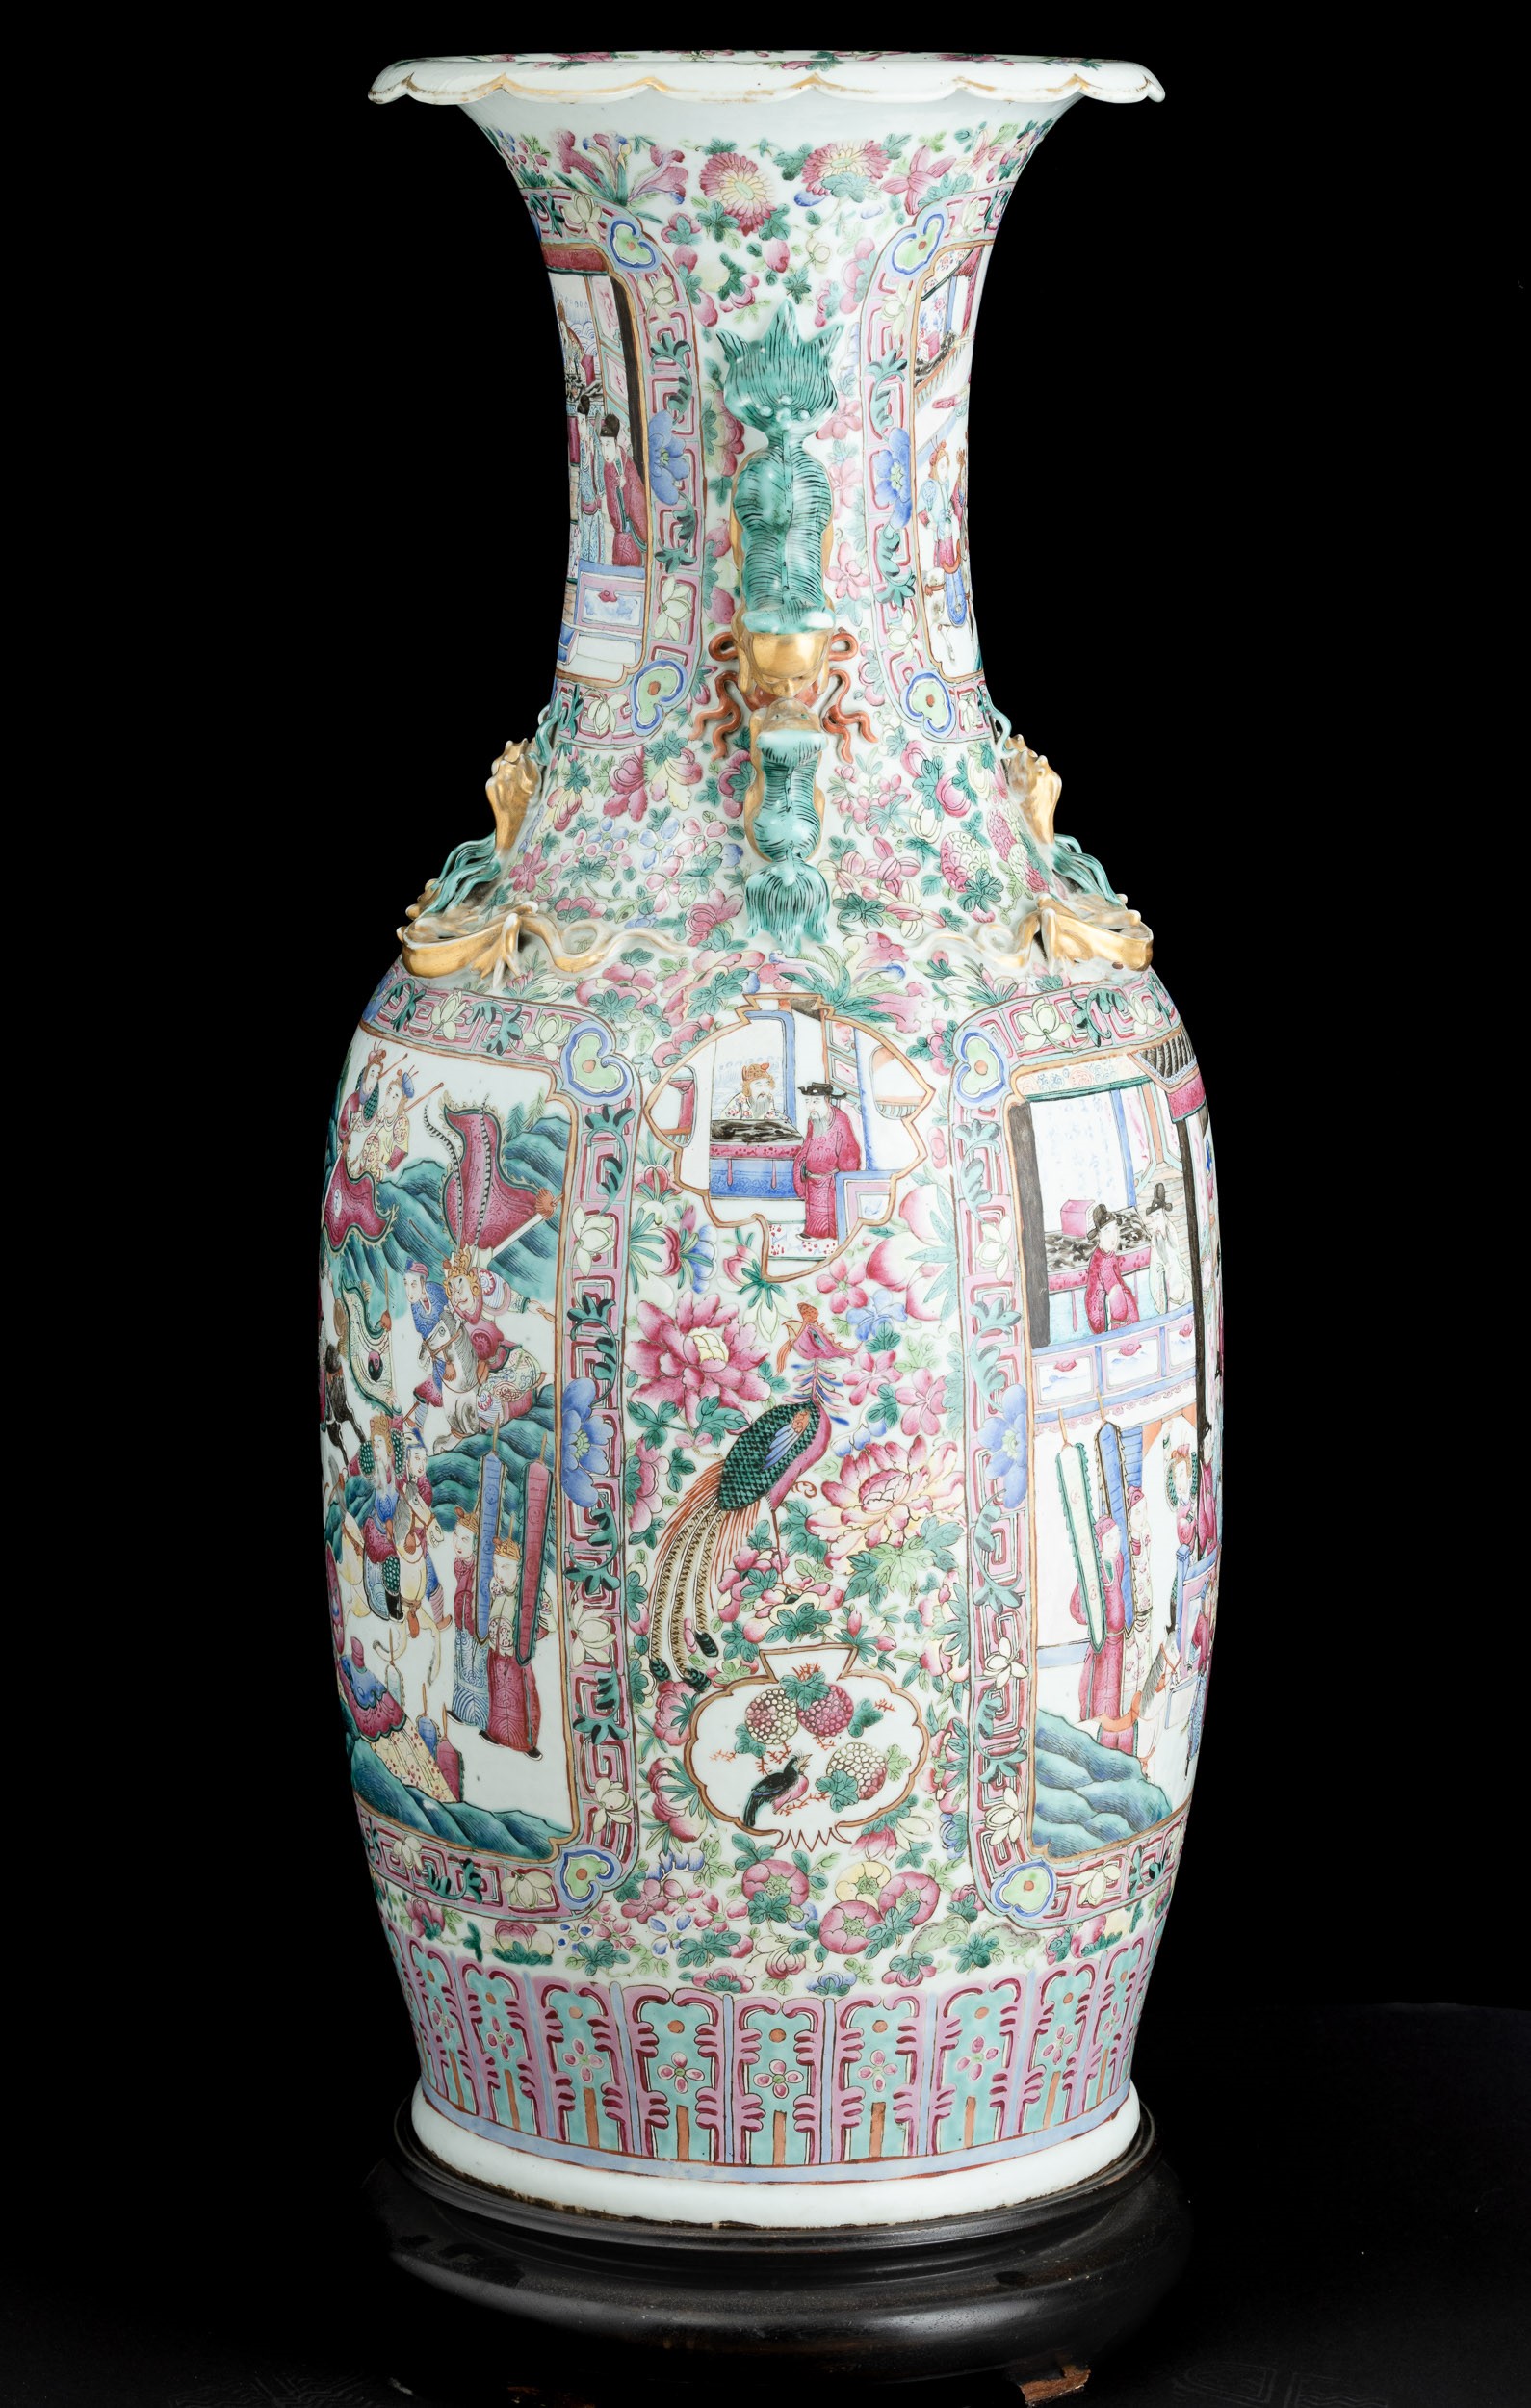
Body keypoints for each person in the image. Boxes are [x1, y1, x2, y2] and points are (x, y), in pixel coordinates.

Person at [1069, 1513, 1130, 1752]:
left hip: (1119, 1644)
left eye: (1117, 1536)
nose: (1115, 1543)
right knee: (1101, 1698)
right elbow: (1078, 1608)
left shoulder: (1118, 1562)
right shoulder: (1094, 1573)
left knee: (1116, 1696)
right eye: (1109, 1538)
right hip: (1103, 1648)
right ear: (1099, 1542)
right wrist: (1096, 1620)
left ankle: (1114, 1744)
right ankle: (1099, 1746)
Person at [484, 1531, 543, 1756]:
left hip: (515, 1657)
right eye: (496, 1565)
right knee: (497, 1694)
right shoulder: (497, 1589)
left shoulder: (526, 1596)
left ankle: (527, 1743)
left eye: (505, 1567)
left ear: (519, 1569)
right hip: (496, 1654)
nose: (498, 1573)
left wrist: (525, 1639)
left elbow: (546, 1623)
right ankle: (496, 1733)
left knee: (522, 1698)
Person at [791, 1080, 862, 1240]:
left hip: (831, 1179)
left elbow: (849, 1149)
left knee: (831, 1212)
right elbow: (808, 1143)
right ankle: (813, 1231)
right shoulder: (813, 1119)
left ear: (827, 1100)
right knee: (813, 1210)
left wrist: (844, 1175)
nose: (810, 1107)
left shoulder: (840, 1120)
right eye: (807, 1102)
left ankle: (836, 1235)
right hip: (812, 1177)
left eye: (815, 1101)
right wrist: (800, 1162)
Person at [598, 412, 647, 565]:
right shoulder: (608, 468)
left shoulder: (627, 462)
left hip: (631, 527)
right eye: (601, 445)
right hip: (621, 531)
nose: (604, 451)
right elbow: (613, 508)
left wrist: (624, 486)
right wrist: (617, 488)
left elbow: (637, 493)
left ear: (615, 442)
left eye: (607, 444)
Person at [1083, 1205, 1139, 1335]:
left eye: (1115, 1229)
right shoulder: (1101, 1262)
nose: (1113, 1236)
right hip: (1106, 1323)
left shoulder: (1108, 1253)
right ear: (1099, 1235)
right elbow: (1117, 1302)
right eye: (1107, 1231)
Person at [1142, 1180, 1188, 1315]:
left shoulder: (1171, 1232)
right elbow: (1155, 1277)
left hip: (1183, 1292)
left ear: (1164, 1215)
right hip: (1168, 1299)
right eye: (1152, 1218)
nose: (1155, 1222)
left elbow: (1177, 1262)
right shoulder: (1155, 1241)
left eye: (1158, 1216)